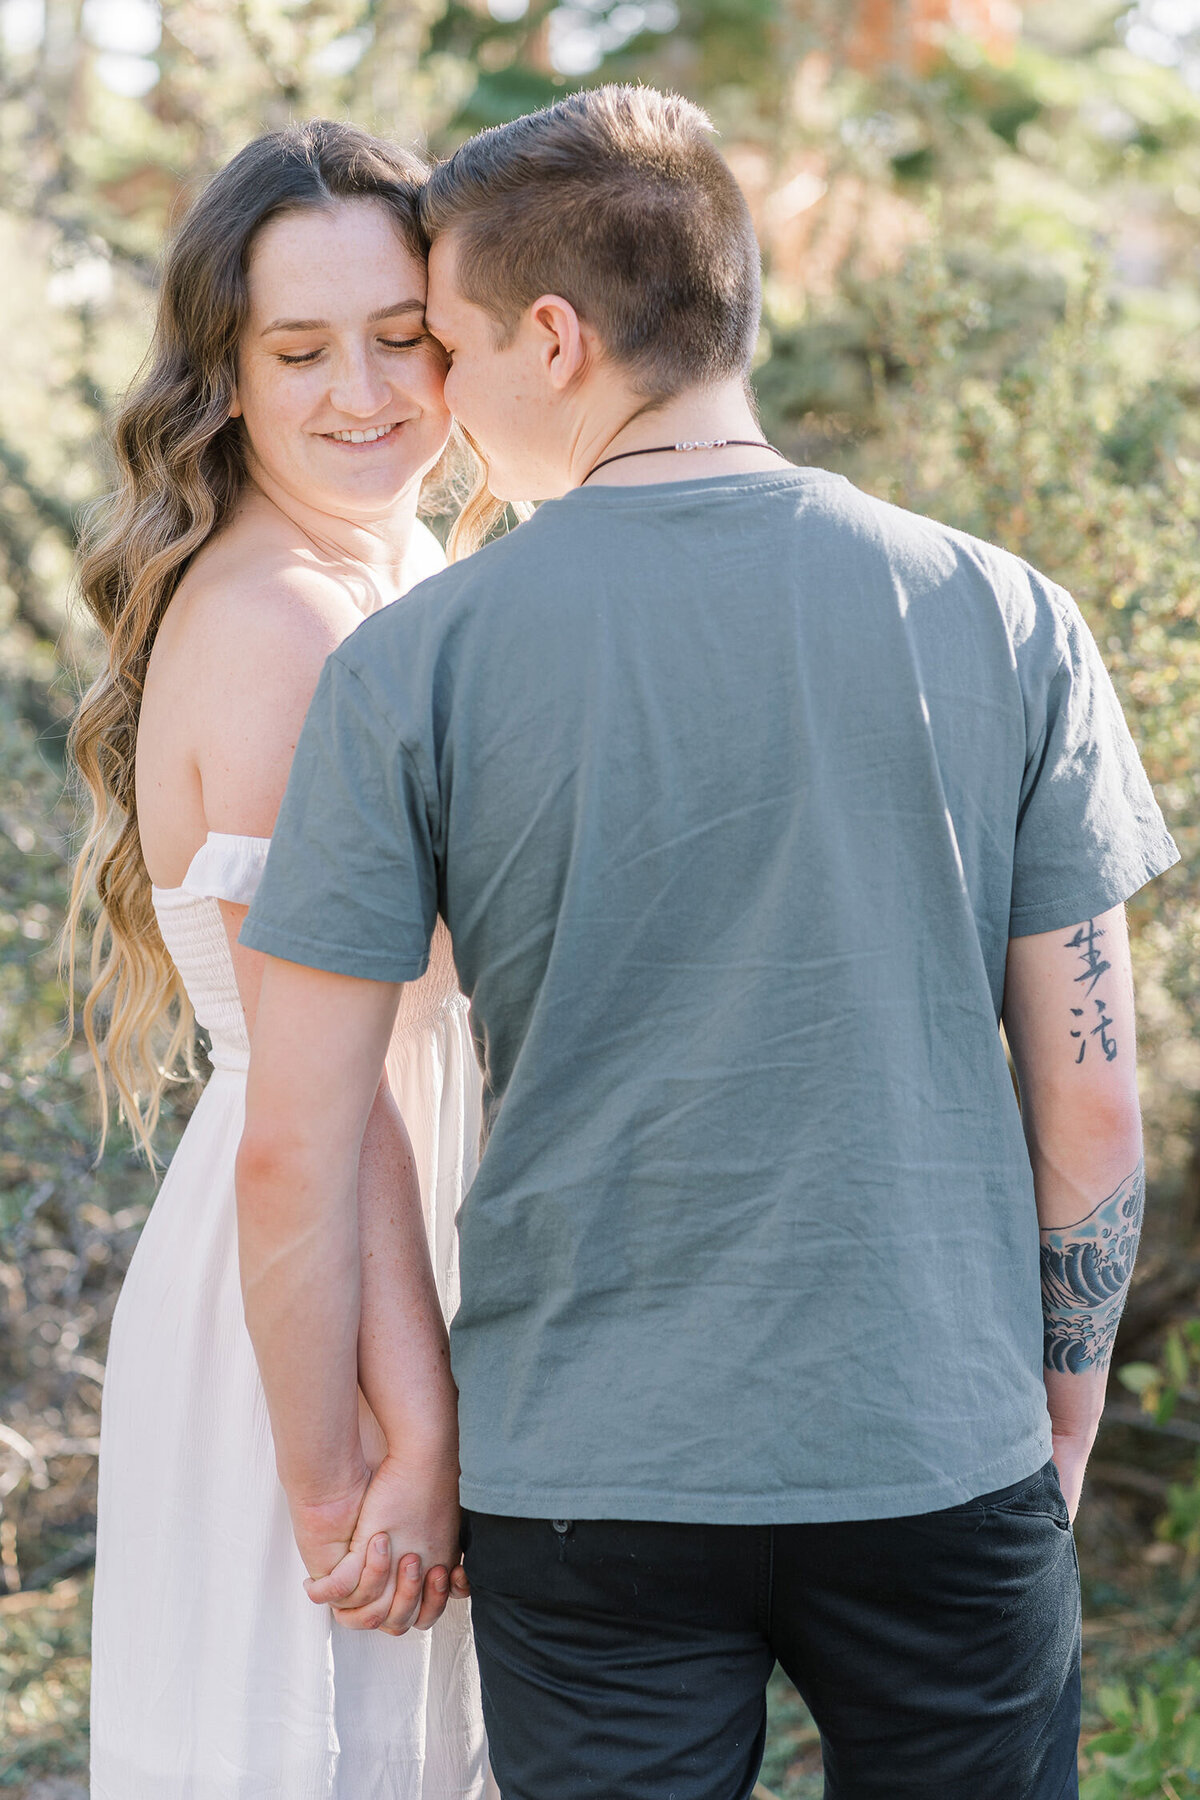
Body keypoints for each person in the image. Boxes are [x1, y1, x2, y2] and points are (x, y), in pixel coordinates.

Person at [237, 86, 1179, 1800]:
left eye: (440, 346)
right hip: (934, 1448)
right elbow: (1096, 1109)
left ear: (550, 335)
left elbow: (296, 1139)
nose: (430, 402)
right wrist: (1057, 1405)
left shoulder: (416, 665)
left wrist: (335, 1484)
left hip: (585, 1482)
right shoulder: (1008, 610)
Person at [69, 120, 495, 1799]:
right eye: (301, 351)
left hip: (406, 1241)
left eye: (405, 337)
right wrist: (385, 1449)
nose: (367, 392)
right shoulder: (283, 629)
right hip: (317, 1304)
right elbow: (328, 1110)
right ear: (223, 375)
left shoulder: (406, 570)